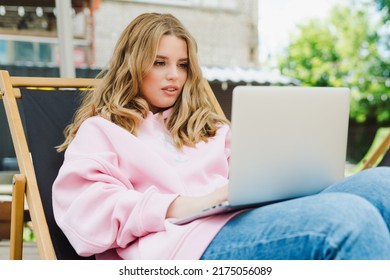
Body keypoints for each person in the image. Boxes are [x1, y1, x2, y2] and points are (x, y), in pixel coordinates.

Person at [52, 12, 390, 260]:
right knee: (350, 219)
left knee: (382, 184)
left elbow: (255, 178)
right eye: (159, 63)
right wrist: (187, 204)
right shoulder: (102, 131)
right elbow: (86, 216)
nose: (174, 76)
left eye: (183, 65)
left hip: (243, 218)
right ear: (132, 64)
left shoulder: (207, 127)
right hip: (183, 244)